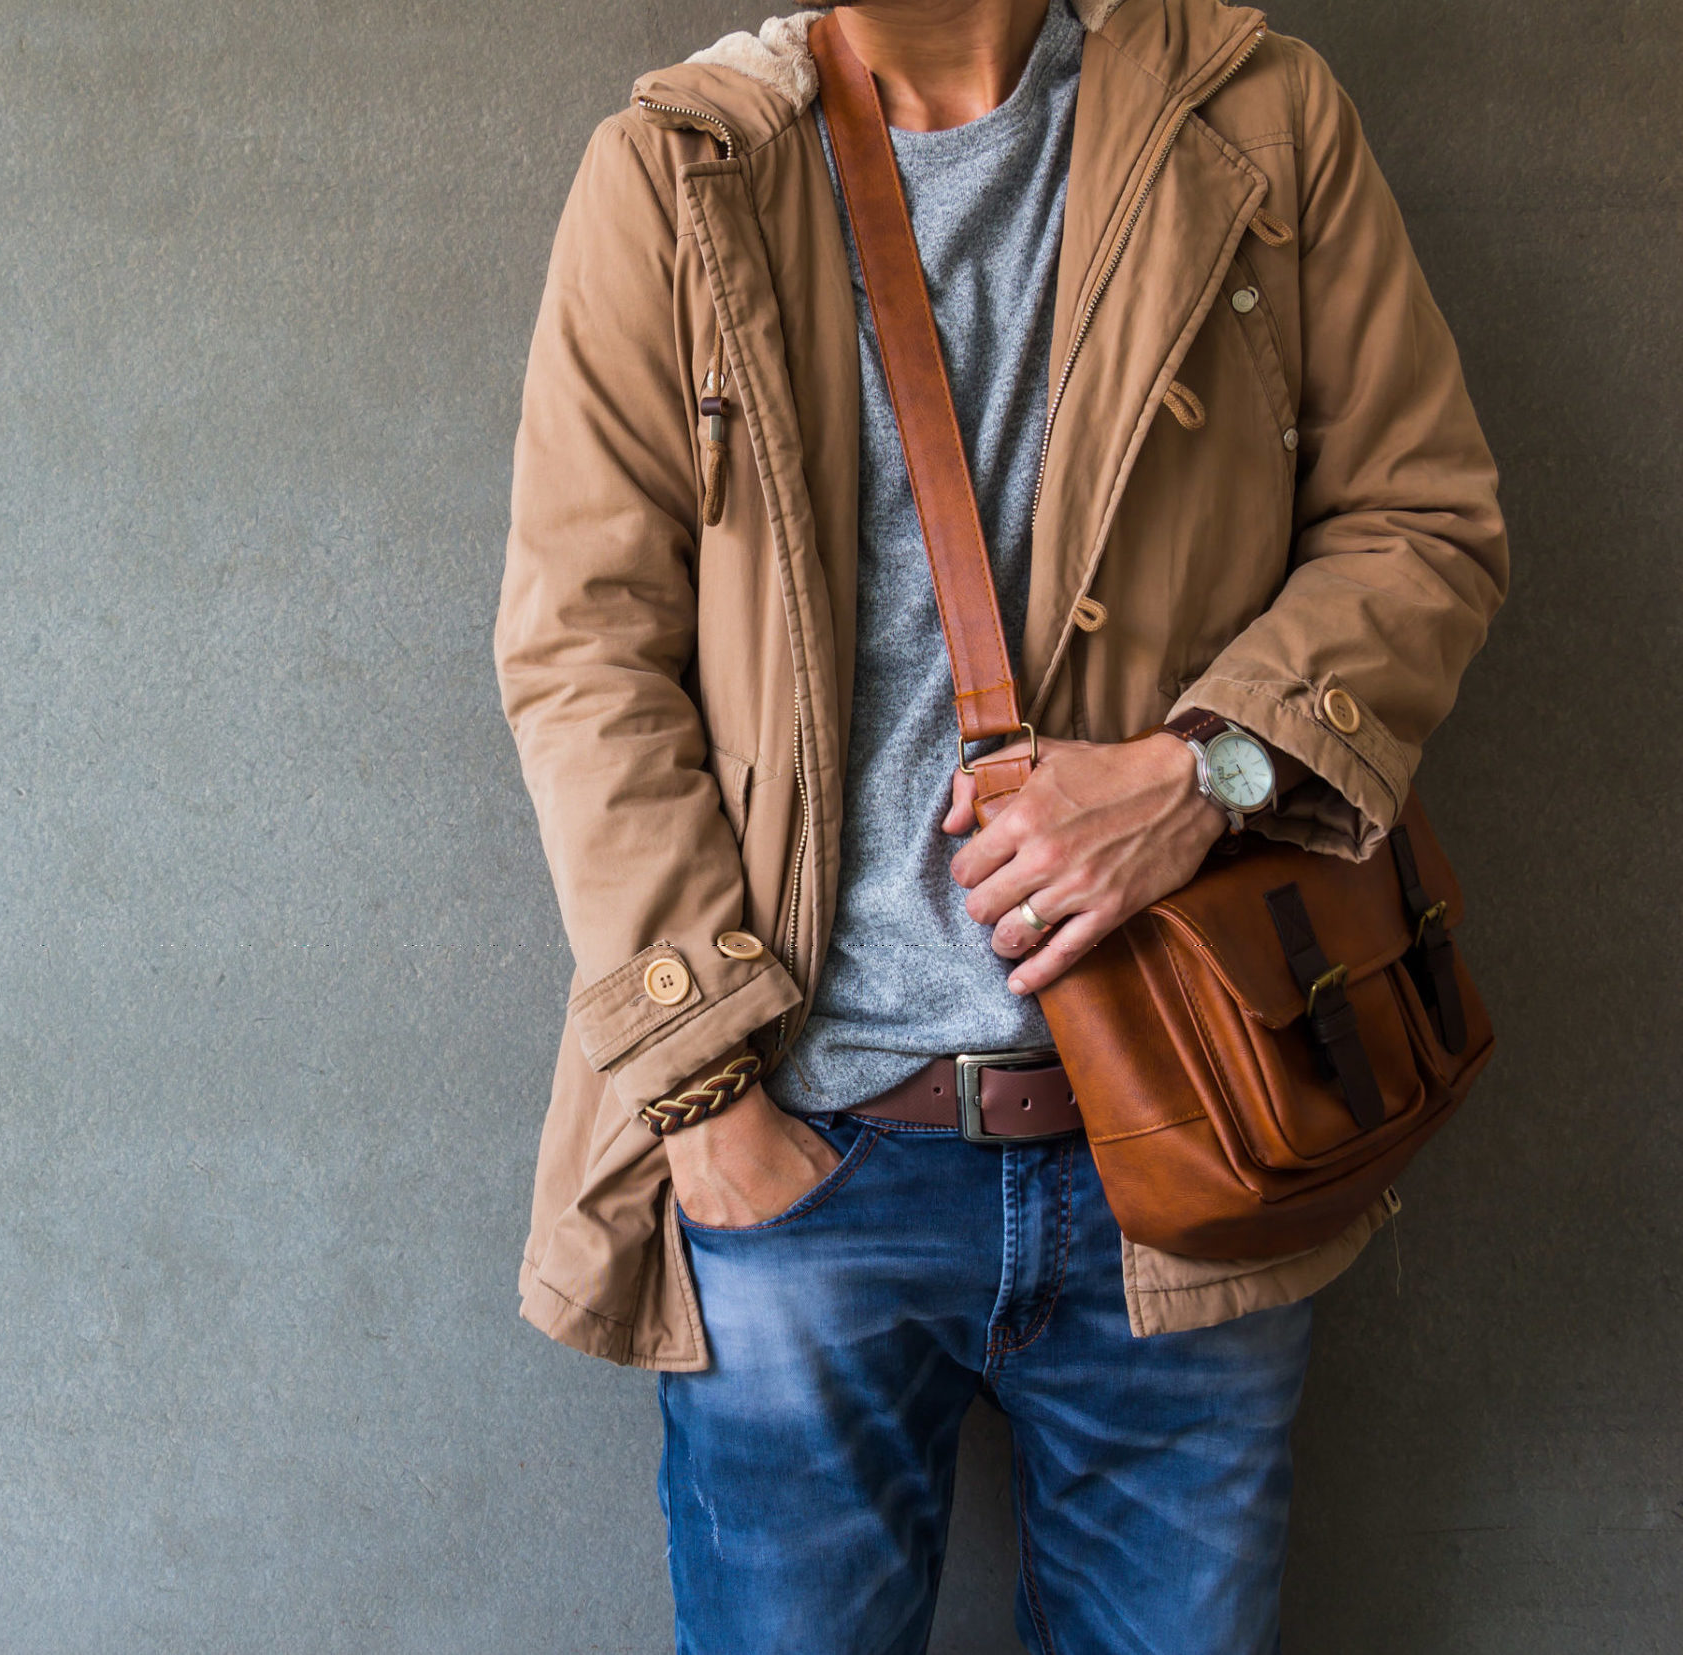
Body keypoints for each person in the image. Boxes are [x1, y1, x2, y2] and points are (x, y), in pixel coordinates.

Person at [493, 0, 1507, 1649]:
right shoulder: (681, 172)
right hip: (806, 1153)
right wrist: (709, 1114)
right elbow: (583, 652)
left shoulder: (1250, 115)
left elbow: (1425, 524)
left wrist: (1201, 776)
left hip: (1196, 1155)